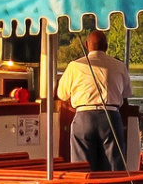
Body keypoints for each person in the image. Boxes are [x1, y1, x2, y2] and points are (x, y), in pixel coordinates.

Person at [56, 29, 132, 171]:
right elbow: (127, 93)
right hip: (111, 117)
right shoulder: (119, 65)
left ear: (86, 45)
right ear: (106, 46)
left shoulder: (74, 66)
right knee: (113, 168)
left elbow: (62, 94)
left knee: (82, 167)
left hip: (84, 118)